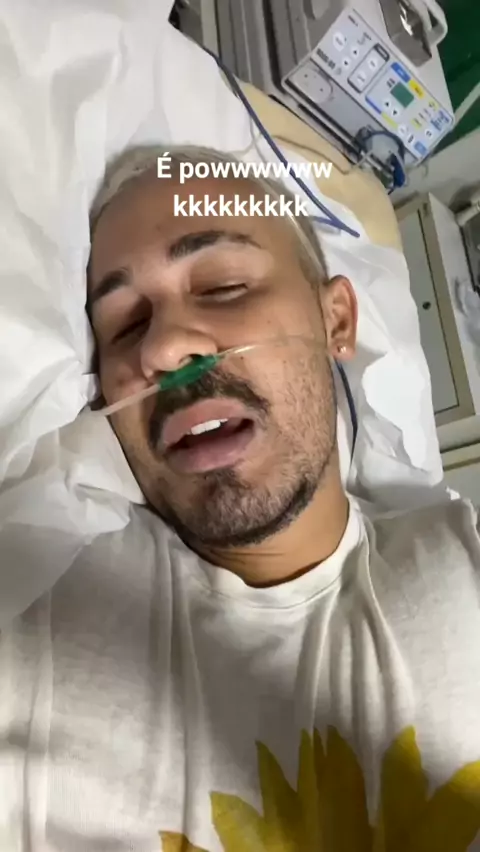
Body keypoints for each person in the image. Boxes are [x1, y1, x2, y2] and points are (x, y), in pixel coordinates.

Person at [5, 145, 480, 851]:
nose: (162, 350)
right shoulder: (37, 605)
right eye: (125, 326)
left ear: (336, 321)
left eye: (224, 286)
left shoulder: (464, 561)